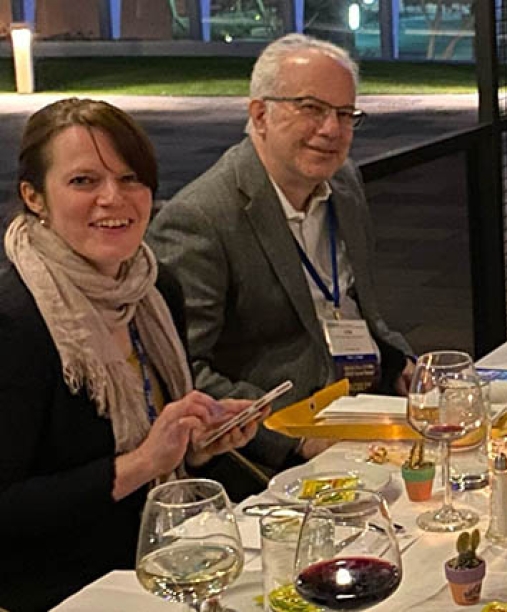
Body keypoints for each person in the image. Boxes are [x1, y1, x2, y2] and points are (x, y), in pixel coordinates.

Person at [0, 99, 262, 610]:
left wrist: (199, 440)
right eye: (83, 182)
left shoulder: (155, 288)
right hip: (67, 587)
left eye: (131, 178)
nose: (113, 199)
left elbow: (160, 436)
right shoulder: (16, 323)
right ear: (34, 197)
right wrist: (142, 463)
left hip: (175, 553)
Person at [148, 34, 414, 474]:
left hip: (366, 402)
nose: (331, 129)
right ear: (260, 114)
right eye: (311, 108)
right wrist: (294, 439)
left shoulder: (343, 183)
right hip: (281, 445)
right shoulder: (201, 219)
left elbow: (355, 309)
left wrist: (402, 361)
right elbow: (181, 372)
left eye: (345, 114)